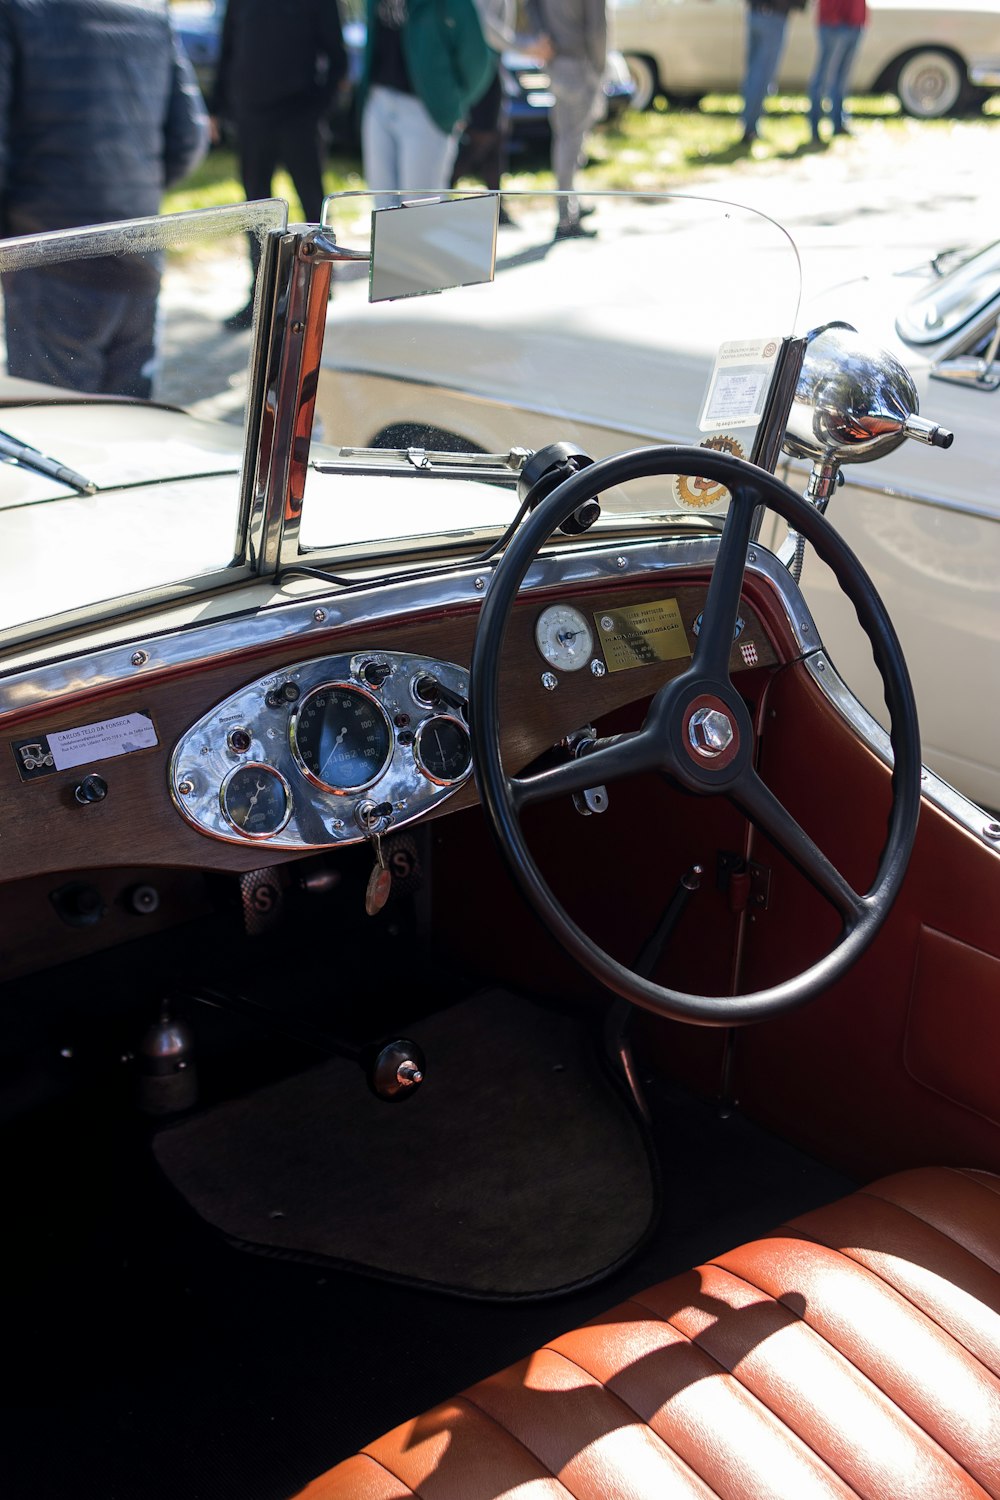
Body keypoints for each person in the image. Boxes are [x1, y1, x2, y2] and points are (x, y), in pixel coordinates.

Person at [0, 0, 208, 399]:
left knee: (55, 432)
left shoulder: (18, 10)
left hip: (49, 255)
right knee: (125, 426)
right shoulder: (149, 14)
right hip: (136, 247)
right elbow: (188, 139)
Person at [211, 0, 348, 331]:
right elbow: (228, 48)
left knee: (312, 201)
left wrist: (317, 108)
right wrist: (217, 107)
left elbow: (338, 59)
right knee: (256, 210)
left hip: (299, 115)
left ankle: (321, 289)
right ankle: (260, 297)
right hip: (252, 116)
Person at [360, 0, 496, 211]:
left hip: (424, 110)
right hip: (378, 99)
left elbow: (477, 61)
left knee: (420, 209)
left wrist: (451, 102)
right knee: (382, 207)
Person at [451, 0, 549, 224]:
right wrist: (524, 47)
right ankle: (443, 188)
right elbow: (484, 26)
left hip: (495, 64)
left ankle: (495, 206)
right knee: (482, 135)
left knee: (498, 136)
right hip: (478, 64)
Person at [526, 0, 606, 239]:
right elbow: (598, 29)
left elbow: (531, 6)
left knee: (567, 139)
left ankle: (572, 204)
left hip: (557, 63)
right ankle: (565, 216)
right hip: (579, 63)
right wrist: (599, 70)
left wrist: (543, 36)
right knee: (570, 142)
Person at [740, 0, 806, 146]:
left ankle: (749, 124)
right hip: (772, 15)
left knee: (754, 73)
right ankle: (750, 127)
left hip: (756, 12)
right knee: (761, 76)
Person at [809, 0, 867, 142]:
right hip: (833, 24)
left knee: (842, 78)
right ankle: (814, 126)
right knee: (823, 78)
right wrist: (834, 18)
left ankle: (838, 122)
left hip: (855, 22)